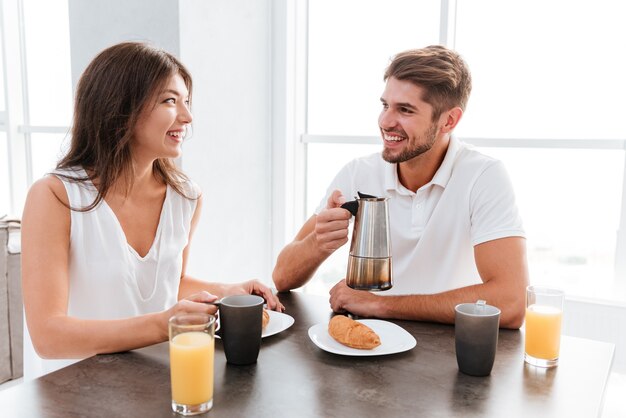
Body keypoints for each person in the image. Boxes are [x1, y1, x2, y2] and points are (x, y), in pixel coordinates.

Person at [21, 41, 283, 360]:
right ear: (119, 107)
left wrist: (224, 291)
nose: (187, 116)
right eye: (170, 100)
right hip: (78, 394)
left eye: (186, 101)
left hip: (159, 384)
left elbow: (168, 283)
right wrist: (163, 326)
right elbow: (49, 336)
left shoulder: (186, 197)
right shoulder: (54, 197)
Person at [273, 45, 528, 329]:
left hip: (449, 350)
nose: (385, 121)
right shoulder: (360, 173)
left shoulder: (483, 176)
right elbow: (282, 277)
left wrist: (380, 304)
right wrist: (318, 243)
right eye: (385, 105)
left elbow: (512, 302)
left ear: (449, 120)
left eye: (405, 110)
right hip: (371, 342)